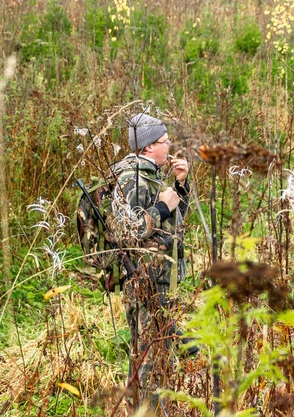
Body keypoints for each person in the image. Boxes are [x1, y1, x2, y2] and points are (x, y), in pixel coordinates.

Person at [109, 112, 191, 408]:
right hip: (146, 280)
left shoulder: (150, 176)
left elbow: (174, 225)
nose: (169, 147)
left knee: (148, 351)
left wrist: (181, 188)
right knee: (152, 357)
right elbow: (125, 231)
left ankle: (139, 410)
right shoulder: (132, 178)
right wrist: (161, 207)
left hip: (157, 279)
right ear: (147, 147)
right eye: (164, 142)